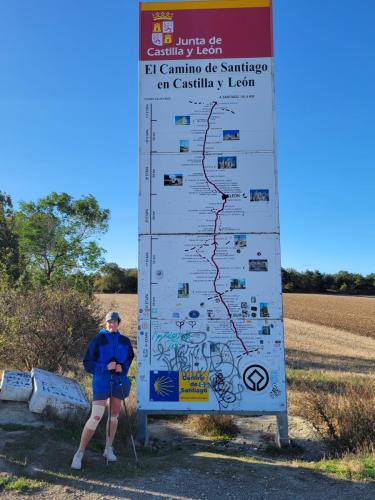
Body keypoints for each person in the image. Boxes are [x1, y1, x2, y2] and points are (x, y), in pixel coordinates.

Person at [71, 311, 134, 470]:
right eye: (109, 322)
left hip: (118, 381)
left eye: (114, 322)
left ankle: (108, 448)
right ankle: (79, 453)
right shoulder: (98, 339)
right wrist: (104, 367)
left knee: (114, 416)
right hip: (101, 382)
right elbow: (87, 363)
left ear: (118, 322)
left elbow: (129, 359)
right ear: (105, 324)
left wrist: (123, 367)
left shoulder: (125, 341)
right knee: (96, 416)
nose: (112, 324)